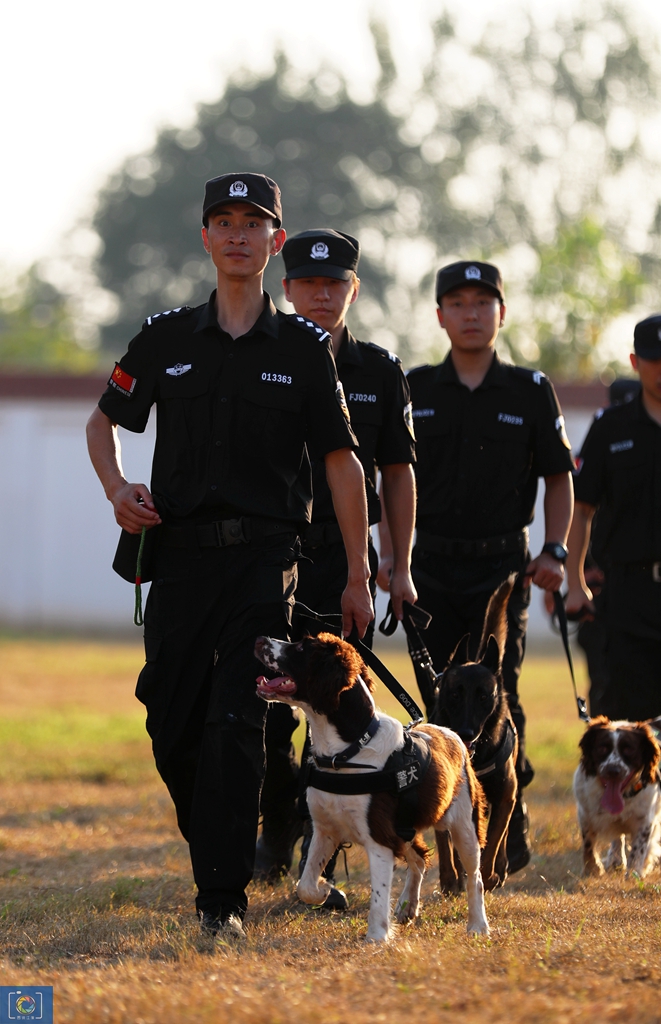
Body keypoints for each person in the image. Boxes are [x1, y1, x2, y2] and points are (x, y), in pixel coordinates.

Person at [86, 173, 373, 941]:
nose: (238, 233)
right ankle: (218, 841)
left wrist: (358, 572)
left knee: (236, 719)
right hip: (179, 558)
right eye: (224, 220)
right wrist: (116, 487)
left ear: (274, 241)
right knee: (170, 721)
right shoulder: (165, 337)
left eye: (253, 222)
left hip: (263, 563)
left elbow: (341, 461)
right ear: (205, 237)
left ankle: (221, 900)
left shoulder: (304, 348)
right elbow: (104, 420)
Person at [256, 228, 417, 899]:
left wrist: (398, 566)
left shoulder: (379, 369)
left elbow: (397, 472)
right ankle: (275, 829)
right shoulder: (259, 354)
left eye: (335, 284)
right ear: (286, 288)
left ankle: (334, 834)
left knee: (337, 700)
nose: (322, 295)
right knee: (269, 703)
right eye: (308, 284)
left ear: (353, 289)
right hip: (272, 552)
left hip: (343, 556)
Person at [405, 260, 574, 871]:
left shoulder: (529, 390)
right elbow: (389, 477)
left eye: (483, 302)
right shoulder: (416, 387)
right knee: (437, 700)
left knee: (501, 694)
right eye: (458, 303)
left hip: (502, 570)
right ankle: (448, 827)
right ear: (440, 315)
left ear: (501, 313)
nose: (470, 314)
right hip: (429, 569)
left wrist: (555, 550)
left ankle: (508, 820)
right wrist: (389, 557)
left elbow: (559, 477)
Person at [566, 315, 661, 721]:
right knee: (629, 721)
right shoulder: (611, 428)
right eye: (653, 359)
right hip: (627, 597)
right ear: (635, 362)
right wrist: (574, 583)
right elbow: (581, 509)